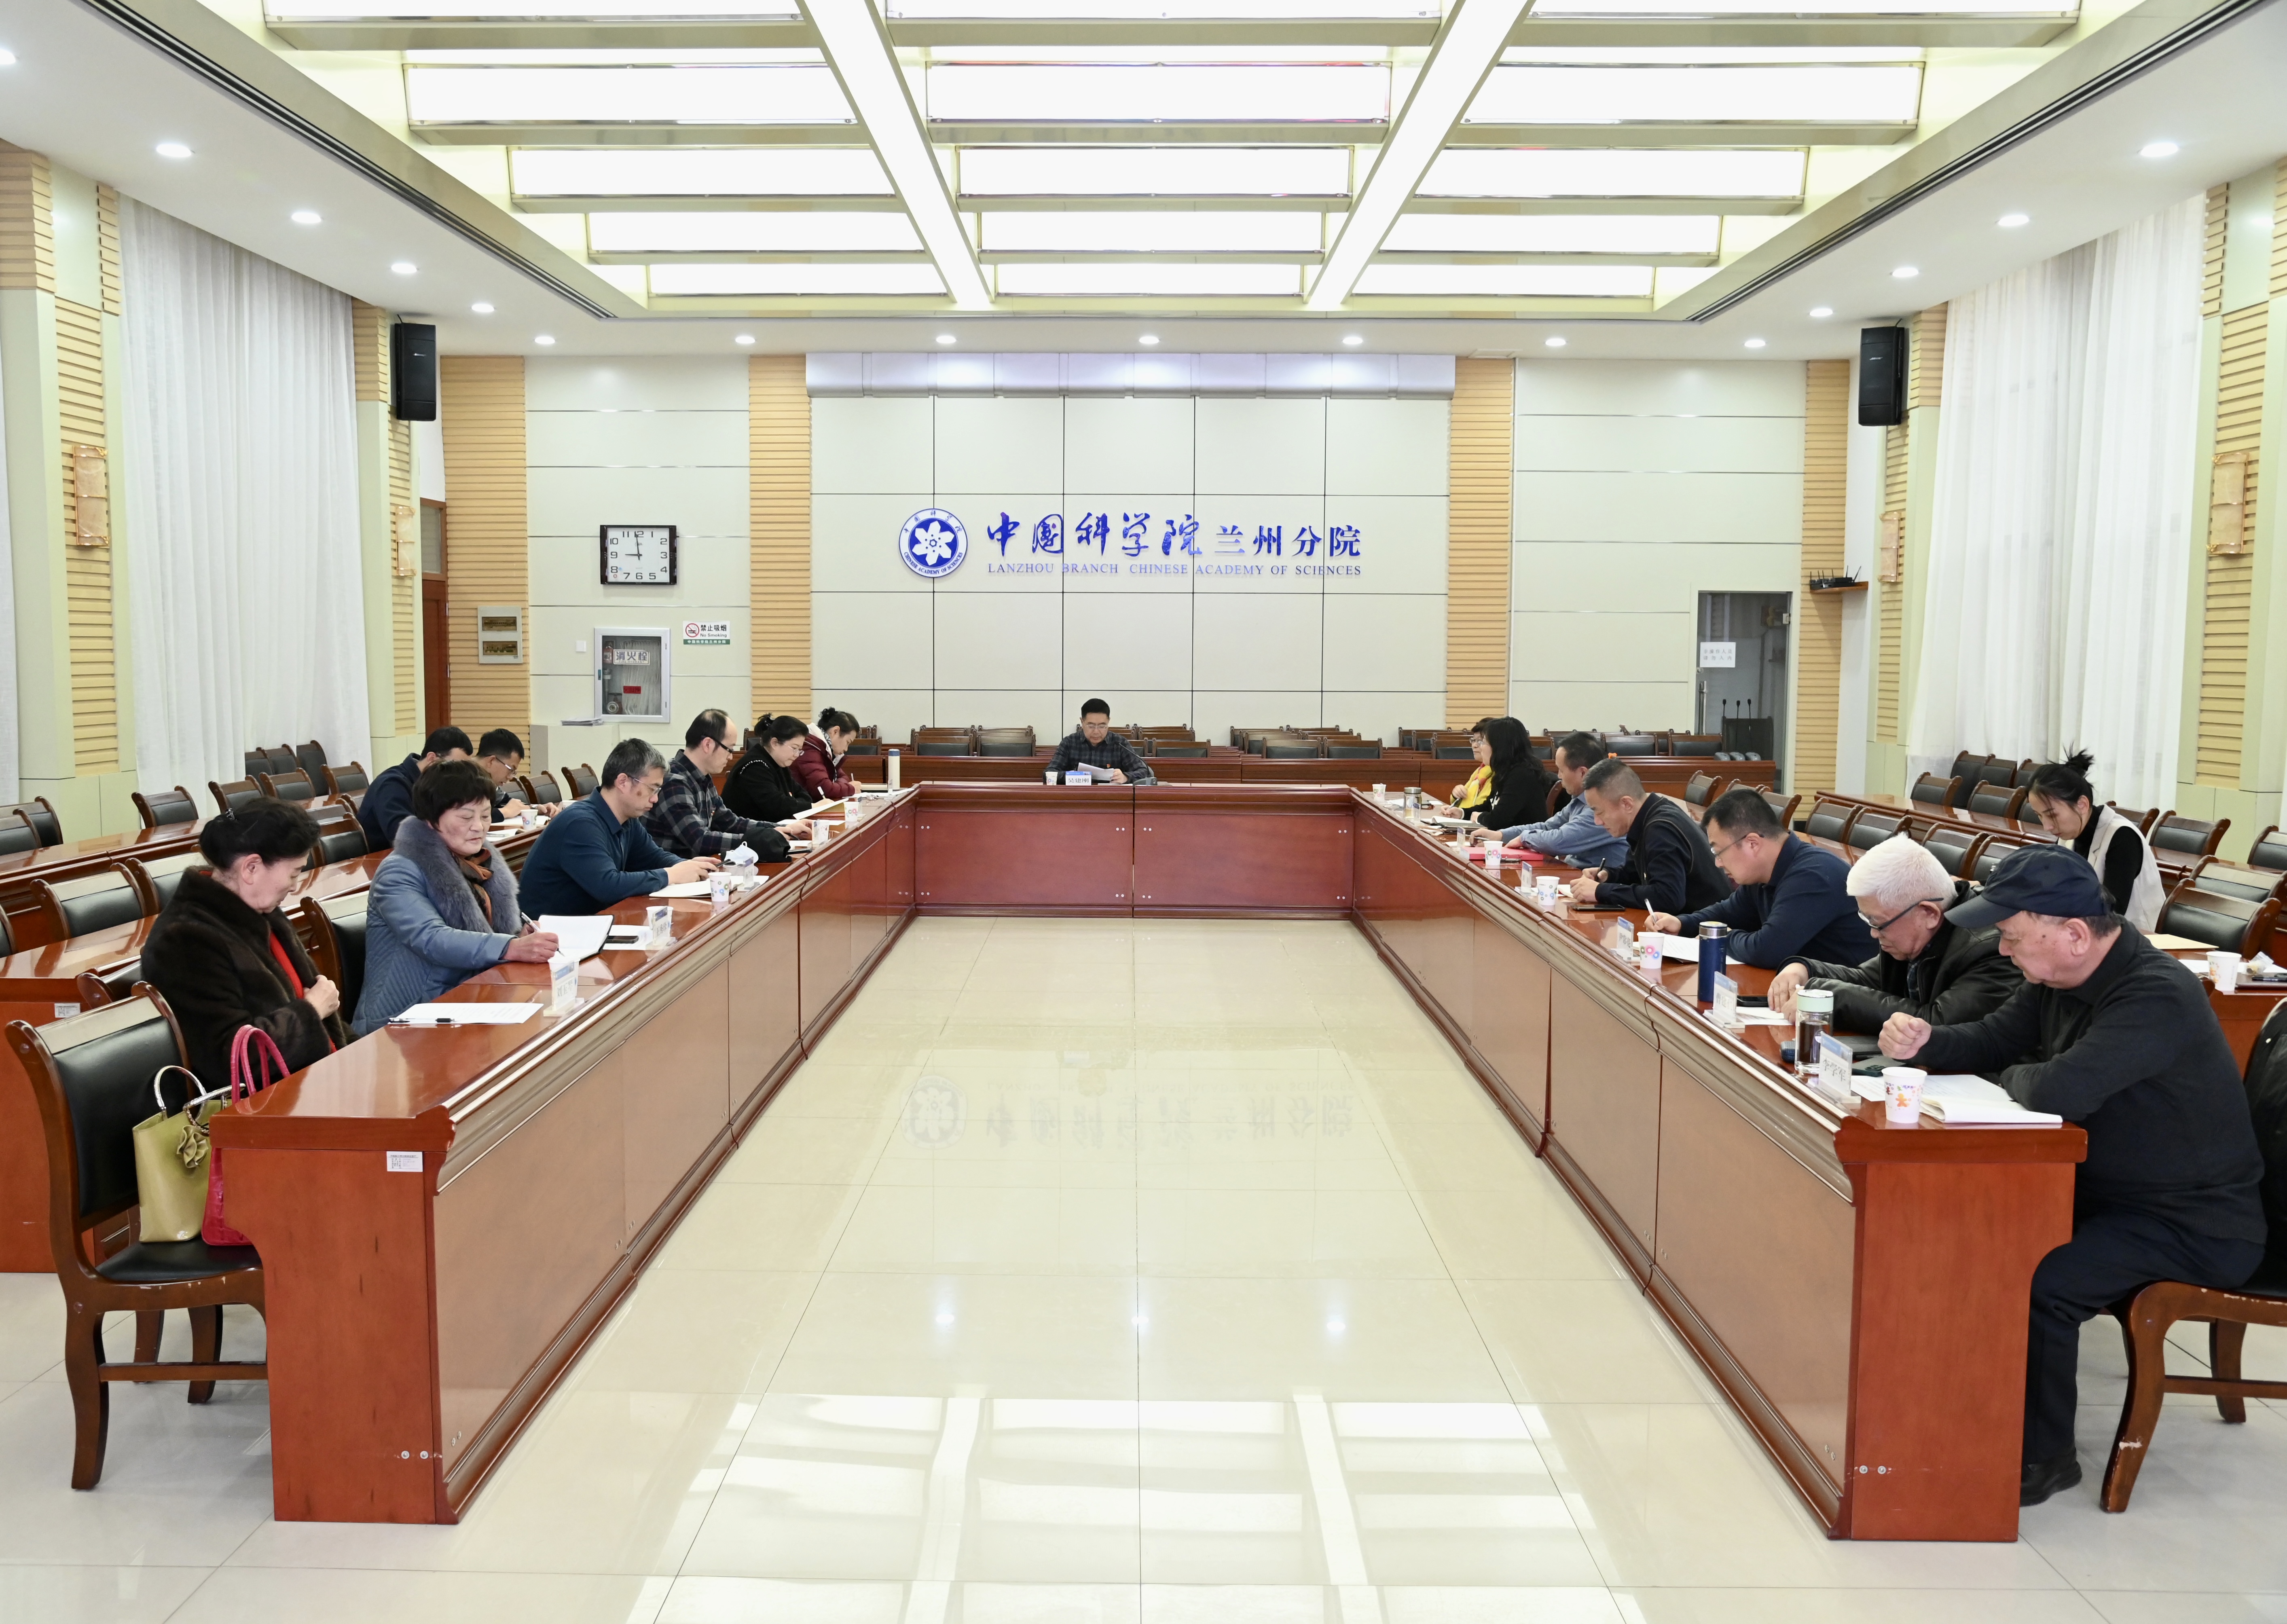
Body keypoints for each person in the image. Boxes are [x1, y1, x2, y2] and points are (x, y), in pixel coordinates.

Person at [1877, 845, 2265, 1507]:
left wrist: (2014, 1075)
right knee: (1979, 1233)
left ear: (2075, 935)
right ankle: (1959, 1404)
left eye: (2010, 937)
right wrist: (1926, 1043)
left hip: (2194, 1222)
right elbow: (1995, 1038)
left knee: (2043, 1281)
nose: (2002, 951)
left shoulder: (2154, 994)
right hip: (2112, 1195)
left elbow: (2058, 1089)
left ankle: (2044, 1458)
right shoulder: (2058, 976)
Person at [140, 797, 347, 1090]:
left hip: (312, 1081)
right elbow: (231, 1059)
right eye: (294, 873)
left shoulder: (261, 912)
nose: (295, 886)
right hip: (265, 1103)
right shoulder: (184, 941)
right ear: (251, 868)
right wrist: (311, 1013)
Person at [354, 761, 561, 1033]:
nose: (479, 827)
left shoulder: (479, 862)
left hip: (471, 997)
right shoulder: (399, 871)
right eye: (466, 818)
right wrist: (509, 947)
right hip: (407, 1019)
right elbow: (432, 938)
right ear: (431, 820)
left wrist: (519, 935)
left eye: (485, 816)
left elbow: (494, 932)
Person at [1766, 832, 2022, 1030]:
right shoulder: (1910, 935)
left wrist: (1832, 995)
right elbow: (1869, 980)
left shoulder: (1989, 949)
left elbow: (1935, 1023)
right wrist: (1805, 970)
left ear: (1929, 914)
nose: (1873, 933)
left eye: (1878, 922)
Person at [1642, 787, 1874, 968]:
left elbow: (1766, 950)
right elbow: (1729, 912)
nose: (1718, 863)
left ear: (1752, 843)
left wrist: (1722, 937)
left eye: (1719, 852)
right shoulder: (1765, 872)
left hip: (1839, 999)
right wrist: (1683, 924)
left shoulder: (1813, 876)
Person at [516, 738, 721, 917]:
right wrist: (672, 875)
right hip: (549, 935)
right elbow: (608, 885)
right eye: (652, 789)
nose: (655, 798)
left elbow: (654, 858)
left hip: (589, 924)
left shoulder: (628, 819)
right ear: (623, 782)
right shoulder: (580, 823)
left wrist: (690, 868)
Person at [1566, 758, 1731, 914]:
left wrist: (1600, 892)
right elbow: (1636, 874)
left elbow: (1668, 898)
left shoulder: (1661, 829)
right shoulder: (1649, 815)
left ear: (1627, 804)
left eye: (1600, 812)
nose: (1597, 822)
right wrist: (1608, 875)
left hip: (1708, 928)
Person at [2024, 750, 2162, 931]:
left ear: (2082, 805)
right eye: (2039, 816)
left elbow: (2113, 912)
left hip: (2137, 937)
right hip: (2087, 932)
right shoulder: (2068, 835)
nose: (2047, 827)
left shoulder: (2122, 837)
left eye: (2052, 815)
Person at [645, 708, 804, 862]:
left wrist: (778, 829)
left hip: (696, 867)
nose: (731, 757)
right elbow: (700, 840)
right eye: (729, 749)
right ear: (708, 745)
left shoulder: (703, 778)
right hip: (673, 872)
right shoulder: (674, 782)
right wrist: (759, 840)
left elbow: (730, 822)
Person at [1483, 731, 1628, 869]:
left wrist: (1524, 838)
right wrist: (1500, 835)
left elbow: (1559, 840)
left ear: (1583, 773)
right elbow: (1548, 827)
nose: (1558, 776)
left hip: (1596, 879)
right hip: (1575, 873)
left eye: (1562, 770)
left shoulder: (1603, 807)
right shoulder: (1579, 800)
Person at [360, 726, 472, 851]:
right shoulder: (391, 785)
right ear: (432, 759)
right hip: (387, 859)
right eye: (454, 767)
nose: (459, 775)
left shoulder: (437, 785)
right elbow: (405, 836)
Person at [725, 713, 821, 825]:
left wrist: (795, 804)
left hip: (767, 830)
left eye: (799, 750)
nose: (797, 755)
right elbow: (777, 807)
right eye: (794, 748)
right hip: (744, 833)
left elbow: (804, 796)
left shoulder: (779, 763)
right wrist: (813, 806)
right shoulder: (755, 767)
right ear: (775, 743)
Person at [1464, 718, 1556, 834]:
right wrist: (1462, 813)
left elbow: (1498, 820)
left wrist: (1478, 817)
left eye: (1483, 742)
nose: (1480, 747)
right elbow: (1490, 806)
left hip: (1524, 841)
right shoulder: (1504, 771)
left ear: (1500, 746)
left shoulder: (1522, 775)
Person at [1050, 699, 1157, 786]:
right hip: (1077, 798)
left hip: (1112, 799)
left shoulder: (1119, 743)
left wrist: (1126, 777)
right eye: (1091, 726)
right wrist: (1073, 776)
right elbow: (1050, 774)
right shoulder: (1069, 743)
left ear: (1108, 722)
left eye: (1102, 726)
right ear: (1082, 722)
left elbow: (1145, 771)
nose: (1096, 731)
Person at [795, 708, 862, 801]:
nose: (846, 749)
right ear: (835, 731)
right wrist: (851, 788)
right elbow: (824, 789)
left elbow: (843, 777)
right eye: (848, 742)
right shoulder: (810, 750)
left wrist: (838, 785)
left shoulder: (825, 750)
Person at [476, 727, 531, 822]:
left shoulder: (488, 781)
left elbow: (507, 802)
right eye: (511, 770)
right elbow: (469, 818)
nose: (510, 777)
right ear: (491, 761)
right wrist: (505, 812)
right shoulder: (462, 778)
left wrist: (536, 809)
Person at [1443, 720, 1497, 814]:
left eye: (1480, 741)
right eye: (1473, 740)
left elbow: (1487, 808)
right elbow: (1464, 799)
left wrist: (1463, 813)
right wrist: (1456, 795)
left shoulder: (1499, 773)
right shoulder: (1480, 770)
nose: (1474, 746)